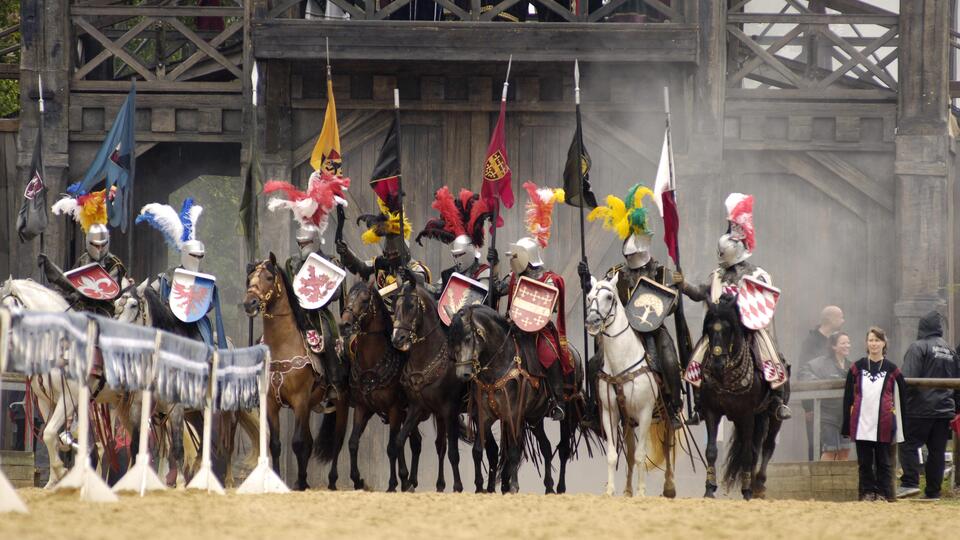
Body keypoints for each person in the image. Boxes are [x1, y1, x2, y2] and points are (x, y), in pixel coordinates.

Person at [580, 183, 685, 428]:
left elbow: (671, 302)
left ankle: (673, 406)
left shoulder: (660, 271)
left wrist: (677, 291)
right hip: (621, 329)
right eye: (627, 259)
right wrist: (586, 279)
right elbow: (600, 292)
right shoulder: (616, 272)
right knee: (594, 362)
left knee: (669, 359)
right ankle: (594, 410)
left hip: (652, 329)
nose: (630, 262)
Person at [679, 193, 791, 420]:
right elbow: (700, 293)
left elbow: (763, 305)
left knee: (770, 356)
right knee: (696, 360)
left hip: (748, 330)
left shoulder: (757, 275)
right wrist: (682, 284)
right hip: (721, 330)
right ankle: (700, 405)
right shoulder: (717, 275)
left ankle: (777, 401)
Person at [263, 170, 352, 408]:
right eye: (300, 243)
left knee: (330, 339)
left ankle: (333, 384)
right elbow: (284, 288)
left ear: (314, 242)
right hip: (294, 314)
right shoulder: (291, 263)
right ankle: (257, 382)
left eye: (305, 243)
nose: (302, 246)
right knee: (263, 338)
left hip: (319, 314)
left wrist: (323, 296)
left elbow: (335, 293)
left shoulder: (329, 262)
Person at [492, 182, 571, 422]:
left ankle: (557, 401)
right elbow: (496, 290)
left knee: (550, 355)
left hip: (538, 332)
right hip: (513, 328)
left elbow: (551, 307)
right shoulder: (515, 276)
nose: (513, 261)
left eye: (517, 256)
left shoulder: (549, 279)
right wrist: (493, 264)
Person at [136, 198, 227, 350]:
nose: (197, 259)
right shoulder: (169, 275)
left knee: (206, 341)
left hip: (196, 322)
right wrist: (163, 306)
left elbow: (209, 302)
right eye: (194, 255)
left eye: (200, 256)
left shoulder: (204, 279)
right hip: (169, 320)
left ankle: (211, 362)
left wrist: (202, 307)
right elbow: (150, 292)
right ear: (185, 254)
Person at [897, 311, 960, 500]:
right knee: (937, 451)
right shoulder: (950, 350)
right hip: (944, 410)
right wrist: (954, 407)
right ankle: (933, 491)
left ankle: (909, 482)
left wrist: (902, 404)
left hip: (919, 409)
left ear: (922, 327)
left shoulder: (918, 347)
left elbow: (908, 379)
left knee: (907, 443)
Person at [842, 327, 906, 502]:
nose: (874, 344)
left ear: (884, 343)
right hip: (861, 421)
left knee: (884, 462)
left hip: (884, 422)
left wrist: (902, 426)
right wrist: (846, 424)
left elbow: (902, 398)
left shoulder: (893, 370)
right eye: (871, 340)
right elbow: (848, 398)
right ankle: (866, 493)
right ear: (866, 343)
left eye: (877, 340)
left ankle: (884, 493)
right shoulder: (857, 367)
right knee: (864, 462)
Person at [41, 188, 127, 317]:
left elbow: (106, 292)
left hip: (106, 313)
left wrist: (77, 293)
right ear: (88, 242)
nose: (99, 248)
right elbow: (71, 280)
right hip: (81, 309)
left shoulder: (115, 264)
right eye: (95, 245)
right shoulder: (83, 259)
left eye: (102, 244)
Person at [416, 186, 492, 293]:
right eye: (455, 255)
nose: (457, 259)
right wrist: (417, 281)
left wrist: (496, 264)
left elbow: (484, 297)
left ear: (470, 251)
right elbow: (436, 291)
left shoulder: (483, 272)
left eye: (460, 255)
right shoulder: (451, 274)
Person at [797, 306, 845, 460]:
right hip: (816, 405)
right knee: (817, 444)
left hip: (835, 408)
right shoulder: (811, 342)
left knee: (839, 446)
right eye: (840, 317)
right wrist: (808, 407)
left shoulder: (834, 341)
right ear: (830, 319)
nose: (843, 320)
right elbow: (803, 374)